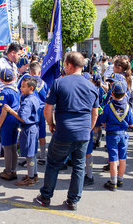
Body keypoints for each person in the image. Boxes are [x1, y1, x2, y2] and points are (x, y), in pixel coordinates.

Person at [35, 52, 98, 211]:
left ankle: (46, 196)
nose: (64, 67)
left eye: (64, 65)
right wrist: (88, 129)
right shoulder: (92, 87)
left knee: (53, 164)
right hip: (83, 132)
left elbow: (47, 109)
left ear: (69, 65)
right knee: (78, 166)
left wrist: (51, 124)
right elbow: (95, 113)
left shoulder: (58, 83)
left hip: (64, 130)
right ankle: (73, 200)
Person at [0, 43, 22, 165]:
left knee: (10, 125)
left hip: (12, 97)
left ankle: (4, 150)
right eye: (18, 54)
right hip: (1, 97)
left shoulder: (13, 65)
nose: (19, 57)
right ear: (12, 53)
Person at [4, 76, 40, 186]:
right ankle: (34, 174)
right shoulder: (33, 98)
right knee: (32, 153)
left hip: (28, 129)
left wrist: (10, 111)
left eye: (24, 87)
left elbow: (22, 117)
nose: (21, 88)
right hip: (34, 128)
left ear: (31, 88)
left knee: (29, 155)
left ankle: (30, 178)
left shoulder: (28, 101)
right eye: (21, 86)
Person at [101, 81, 133, 191]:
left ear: (112, 94)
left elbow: (103, 121)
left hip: (112, 135)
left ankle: (113, 182)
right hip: (124, 135)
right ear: (125, 94)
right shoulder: (128, 107)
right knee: (123, 158)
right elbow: (132, 124)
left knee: (113, 159)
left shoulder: (108, 107)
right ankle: (120, 179)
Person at [0, 68, 20, 181]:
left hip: (7, 121)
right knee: (14, 145)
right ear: (14, 78)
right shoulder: (16, 90)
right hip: (15, 119)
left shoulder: (4, 92)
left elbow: (4, 111)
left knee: (7, 147)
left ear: (0, 79)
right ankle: (14, 169)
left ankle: (8, 171)